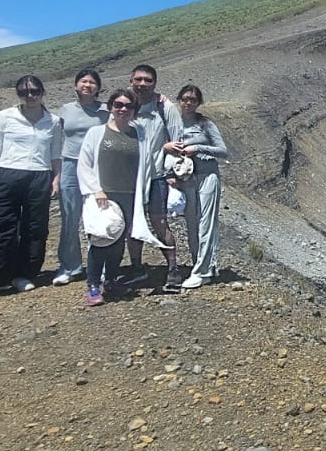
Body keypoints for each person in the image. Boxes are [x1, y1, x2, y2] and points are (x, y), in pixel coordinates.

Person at [0, 75, 63, 297]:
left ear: (42, 92)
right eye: (24, 92)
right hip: (8, 174)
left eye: (35, 91)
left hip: (39, 176)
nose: (30, 96)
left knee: (34, 228)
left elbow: (55, 154)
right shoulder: (5, 117)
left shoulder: (54, 121)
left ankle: (25, 274)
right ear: (18, 94)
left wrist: (56, 179)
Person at [75, 89, 153, 306]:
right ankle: (92, 285)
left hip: (129, 195)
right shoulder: (97, 133)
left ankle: (110, 280)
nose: (123, 109)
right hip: (104, 195)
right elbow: (85, 163)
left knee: (118, 241)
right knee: (101, 239)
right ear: (110, 107)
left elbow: (145, 165)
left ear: (134, 111)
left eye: (128, 106)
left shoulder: (138, 134)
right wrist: (95, 189)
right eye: (118, 104)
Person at [118, 64, 181, 289]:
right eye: (138, 79)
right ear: (131, 80)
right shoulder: (124, 105)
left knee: (159, 221)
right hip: (129, 176)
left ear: (155, 83)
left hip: (156, 175)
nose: (142, 84)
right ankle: (136, 267)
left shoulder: (165, 107)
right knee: (132, 223)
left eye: (147, 80)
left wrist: (172, 169)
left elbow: (177, 140)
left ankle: (172, 268)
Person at [53, 69, 109, 286]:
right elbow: (58, 140)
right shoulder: (66, 110)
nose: (87, 85)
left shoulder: (105, 111)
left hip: (97, 165)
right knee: (69, 216)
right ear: (76, 85)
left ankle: (102, 265)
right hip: (70, 164)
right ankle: (70, 266)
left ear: (98, 87)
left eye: (92, 82)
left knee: (99, 215)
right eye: (83, 81)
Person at [168, 84, 228, 288]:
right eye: (185, 98)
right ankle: (201, 266)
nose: (188, 102)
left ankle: (202, 270)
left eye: (193, 99)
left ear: (199, 103)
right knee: (192, 223)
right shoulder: (172, 124)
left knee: (206, 223)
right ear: (179, 100)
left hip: (207, 176)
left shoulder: (205, 124)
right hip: (186, 179)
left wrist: (197, 147)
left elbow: (222, 150)